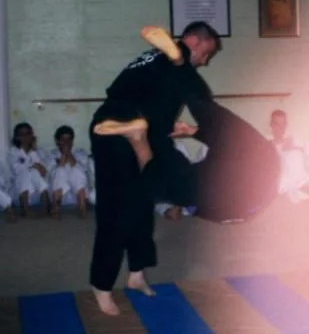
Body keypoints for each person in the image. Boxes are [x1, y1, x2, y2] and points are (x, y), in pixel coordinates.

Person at [88, 22, 222, 316]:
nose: (206, 61)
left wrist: (173, 129)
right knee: (116, 209)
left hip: (140, 130)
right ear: (195, 42)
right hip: (115, 129)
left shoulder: (151, 60)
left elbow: (145, 92)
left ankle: (136, 272)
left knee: (142, 201)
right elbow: (194, 92)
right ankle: (101, 284)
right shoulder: (169, 59)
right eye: (206, 53)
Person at [7, 122, 50, 218]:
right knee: (25, 172)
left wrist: (33, 151)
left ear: (32, 135)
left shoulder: (40, 151)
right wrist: (34, 165)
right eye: (22, 135)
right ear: (17, 137)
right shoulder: (13, 152)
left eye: (28, 134)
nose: (25, 137)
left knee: (34, 172)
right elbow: (18, 170)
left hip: (36, 194)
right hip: (20, 194)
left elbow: (43, 172)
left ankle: (45, 209)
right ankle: (25, 210)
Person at [47, 125, 90, 219]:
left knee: (77, 170)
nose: (66, 142)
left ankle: (82, 207)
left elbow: (84, 171)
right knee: (59, 170)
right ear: (57, 141)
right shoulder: (51, 154)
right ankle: (56, 208)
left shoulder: (80, 152)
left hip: (78, 194)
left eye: (69, 139)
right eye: (63, 139)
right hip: (58, 193)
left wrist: (68, 154)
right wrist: (63, 159)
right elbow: (50, 174)